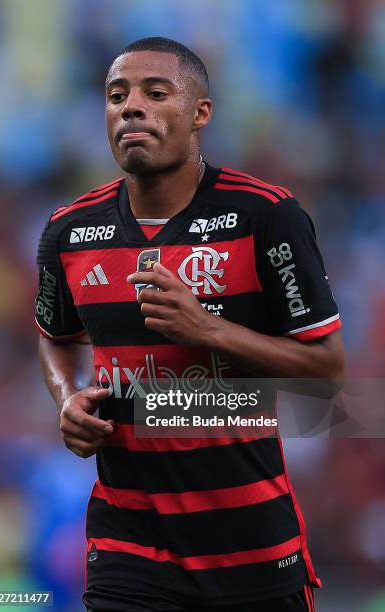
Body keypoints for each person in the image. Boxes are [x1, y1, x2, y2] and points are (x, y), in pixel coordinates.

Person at [35, 37, 345, 612]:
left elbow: (327, 368)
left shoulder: (265, 215)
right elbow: (55, 337)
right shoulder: (69, 231)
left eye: (156, 93)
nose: (131, 107)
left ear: (200, 113)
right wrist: (67, 397)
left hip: (252, 545)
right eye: (116, 95)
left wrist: (207, 330)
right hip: (128, 544)